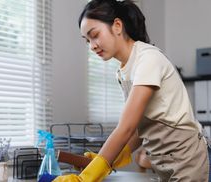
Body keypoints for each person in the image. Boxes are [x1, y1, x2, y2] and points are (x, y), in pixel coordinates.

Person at [54, 0, 209, 181]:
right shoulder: (123, 71)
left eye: (94, 35)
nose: (92, 45)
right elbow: (137, 126)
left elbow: (126, 127)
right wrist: (111, 157)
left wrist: (85, 178)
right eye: (87, 41)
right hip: (163, 161)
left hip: (186, 158)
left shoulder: (148, 59)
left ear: (117, 26)